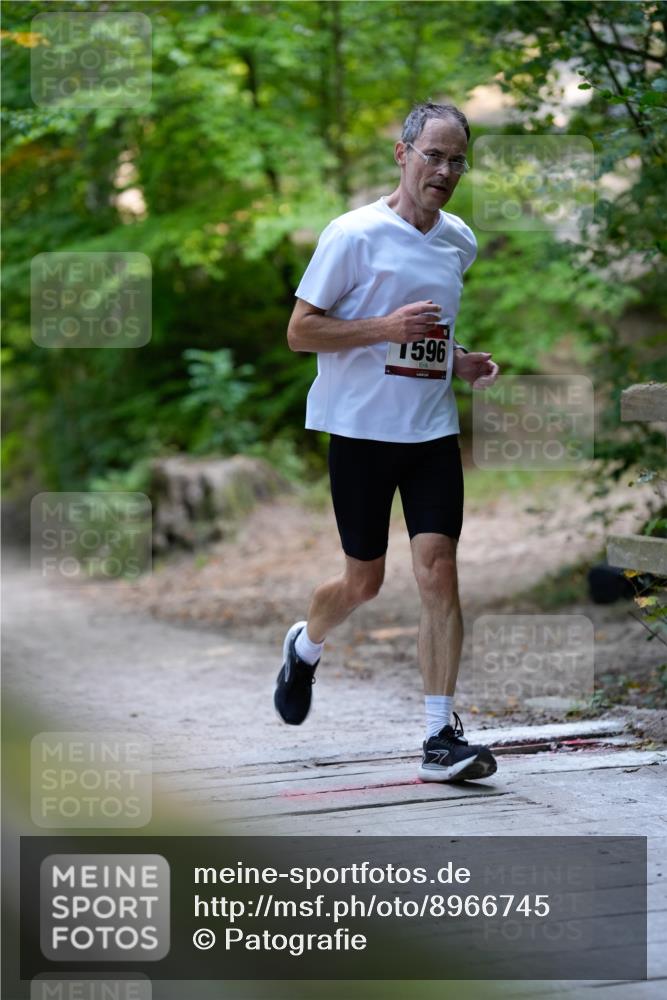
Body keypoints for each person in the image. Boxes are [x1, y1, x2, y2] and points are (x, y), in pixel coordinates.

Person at [274, 101, 500, 782]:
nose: (444, 170)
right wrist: (382, 328)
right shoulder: (352, 235)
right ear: (402, 155)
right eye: (432, 155)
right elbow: (300, 332)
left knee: (438, 572)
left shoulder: (458, 239)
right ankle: (305, 645)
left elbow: (429, 332)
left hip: (429, 430)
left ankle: (438, 736)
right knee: (362, 582)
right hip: (361, 434)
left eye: (456, 159)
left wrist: (455, 359)